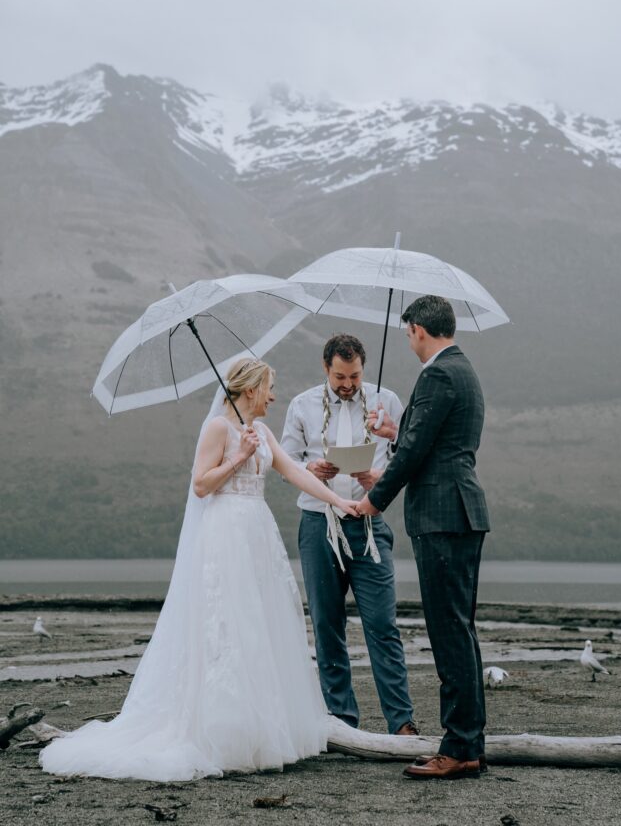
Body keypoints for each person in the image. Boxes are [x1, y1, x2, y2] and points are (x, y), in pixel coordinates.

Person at [40, 358, 359, 781]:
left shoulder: (261, 431)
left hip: (257, 535)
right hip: (225, 534)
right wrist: (239, 456)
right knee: (226, 627)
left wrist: (339, 502)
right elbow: (201, 484)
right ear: (249, 390)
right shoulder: (218, 429)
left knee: (259, 627)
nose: (274, 395)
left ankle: (262, 727)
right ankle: (225, 733)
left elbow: (295, 472)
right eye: (269, 387)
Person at [356, 296, 490, 780]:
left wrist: (374, 500)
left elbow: (414, 454)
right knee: (460, 629)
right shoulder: (463, 369)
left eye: (408, 331)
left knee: (449, 632)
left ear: (416, 329)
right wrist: (395, 429)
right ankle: (468, 743)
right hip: (460, 510)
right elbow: (427, 439)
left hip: (442, 514)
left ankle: (457, 748)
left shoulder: (436, 374)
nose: (408, 339)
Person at [280, 334, 416, 736]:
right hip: (318, 523)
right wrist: (312, 472)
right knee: (327, 623)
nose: (348, 384)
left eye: (354, 375)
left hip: (368, 523)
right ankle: (341, 720)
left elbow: (405, 457)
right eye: (340, 376)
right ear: (326, 368)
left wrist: (380, 478)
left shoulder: (386, 400)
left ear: (363, 367)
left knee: (382, 624)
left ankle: (401, 722)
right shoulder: (301, 405)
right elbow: (287, 462)